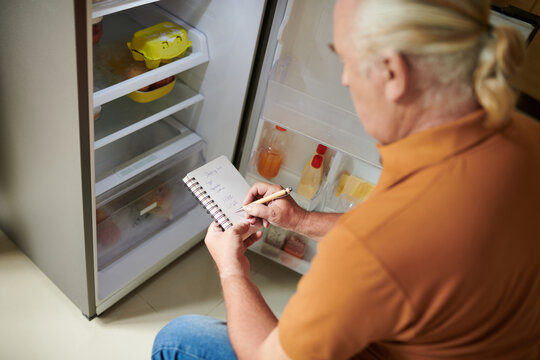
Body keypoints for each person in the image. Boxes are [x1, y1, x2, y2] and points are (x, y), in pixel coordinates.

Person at [152, 0, 540, 359]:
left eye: (348, 61)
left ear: (393, 73)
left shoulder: (369, 251)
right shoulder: (522, 136)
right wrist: (300, 221)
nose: (345, 80)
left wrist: (231, 268)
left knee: (179, 338)